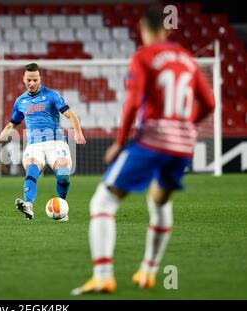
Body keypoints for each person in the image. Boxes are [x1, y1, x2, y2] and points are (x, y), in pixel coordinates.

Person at [72, 7, 215, 294]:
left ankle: (103, 276)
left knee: (102, 203)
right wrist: (185, 126)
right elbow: (209, 103)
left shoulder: (144, 57)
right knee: (160, 202)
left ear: (142, 28)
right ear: (167, 29)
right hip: (182, 144)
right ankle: (148, 272)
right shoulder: (187, 59)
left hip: (152, 141)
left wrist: (119, 142)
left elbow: (132, 103)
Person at [0, 63, 86, 220]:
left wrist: (78, 133)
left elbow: (71, 115)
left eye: (35, 80)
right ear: (23, 79)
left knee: (63, 176)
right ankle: (29, 206)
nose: (32, 83)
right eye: (29, 80)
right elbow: (11, 125)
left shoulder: (52, 95)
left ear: (40, 79)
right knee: (32, 168)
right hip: (34, 144)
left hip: (56, 142)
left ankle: (61, 207)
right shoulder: (20, 102)